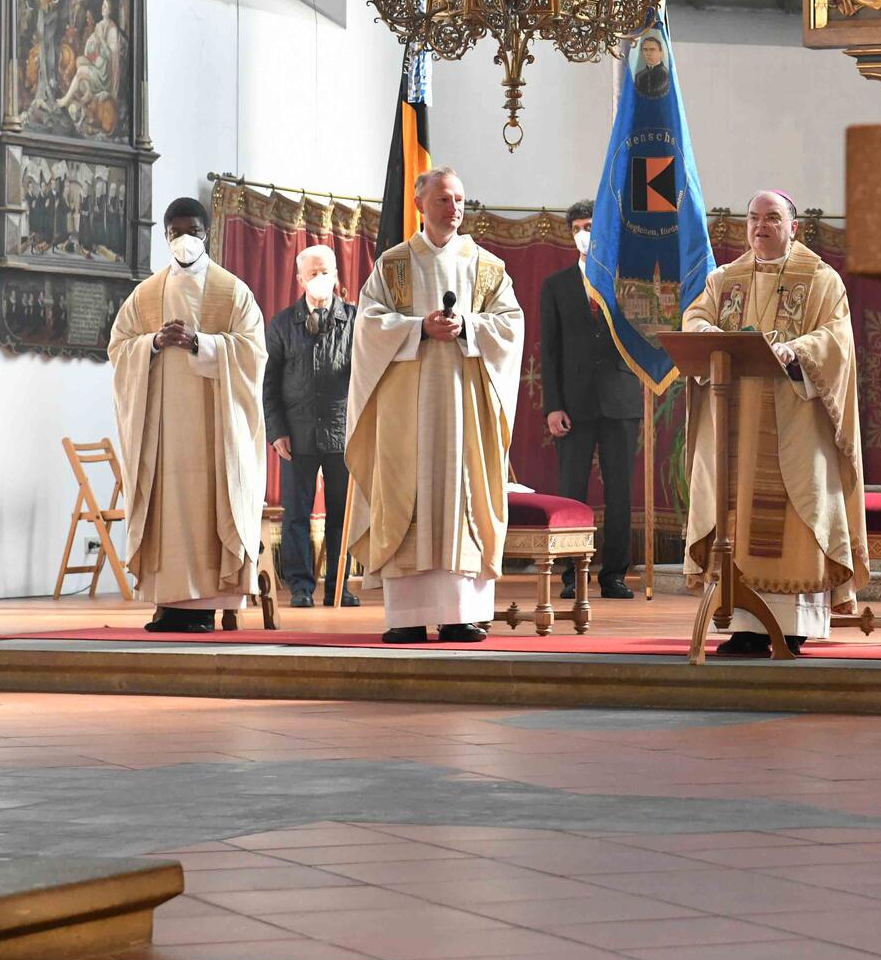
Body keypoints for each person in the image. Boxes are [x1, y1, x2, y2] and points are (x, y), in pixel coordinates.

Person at [682, 191, 868, 656]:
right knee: (737, 517)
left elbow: (837, 338)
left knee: (797, 514)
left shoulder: (821, 279)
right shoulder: (726, 279)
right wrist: (707, 333)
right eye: (754, 218)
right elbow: (696, 318)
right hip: (736, 424)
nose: (760, 226)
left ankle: (792, 625)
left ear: (793, 227)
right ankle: (744, 625)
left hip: (796, 422)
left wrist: (797, 350)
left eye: (772, 218)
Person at [346, 168, 524, 643]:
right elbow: (367, 325)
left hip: (467, 410)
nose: (454, 208)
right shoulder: (394, 265)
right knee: (407, 493)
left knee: (462, 495)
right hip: (407, 412)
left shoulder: (486, 266)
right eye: (444, 199)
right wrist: (417, 329)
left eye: (460, 199)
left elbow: (511, 324)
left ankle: (460, 614)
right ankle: (407, 617)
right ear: (420, 204)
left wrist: (469, 327)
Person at [107, 197, 269, 634]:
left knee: (205, 508)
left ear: (206, 234)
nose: (185, 240)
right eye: (176, 233)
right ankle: (168, 603)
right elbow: (119, 347)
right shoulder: (146, 294)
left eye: (193, 232)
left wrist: (202, 343)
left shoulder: (232, 292)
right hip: (162, 434)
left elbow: (254, 353)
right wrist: (153, 344)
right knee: (167, 511)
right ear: (165, 236)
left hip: (216, 430)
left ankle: (203, 607)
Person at [541, 201, 642, 601]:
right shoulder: (556, 285)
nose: (584, 234)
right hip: (573, 404)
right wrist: (553, 406)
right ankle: (571, 575)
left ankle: (614, 575)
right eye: (577, 228)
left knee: (620, 493)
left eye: (590, 227)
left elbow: (643, 338)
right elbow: (549, 350)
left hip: (621, 399)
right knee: (571, 491)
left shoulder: (627, 282)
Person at [265, 245, 358, 608]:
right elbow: (269, 384)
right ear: (300, 279)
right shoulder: (282, 324)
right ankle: (300, 588)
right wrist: (276, 431)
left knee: (340, 515)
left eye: (326, 272)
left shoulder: (354, 319)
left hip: (342, 434)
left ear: (336, 275)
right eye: (313, 273)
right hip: (296, 434)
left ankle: (338, 586)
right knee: (296, 515)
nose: (321, 278)